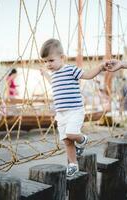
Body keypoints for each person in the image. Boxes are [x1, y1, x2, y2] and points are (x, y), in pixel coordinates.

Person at [40, 38, 108, 176]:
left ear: (62, 57)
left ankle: (83, 140)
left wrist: (100, 67)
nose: (48, 64)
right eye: (45, 61)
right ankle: (73, 164)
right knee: (66, 140)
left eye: (51, 60)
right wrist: (45, 74)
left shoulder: (70, 70)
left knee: (71, 134)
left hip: (75, 110)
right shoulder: (54, 75)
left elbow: (88, 75)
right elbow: (52, 83)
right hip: (61, 114)